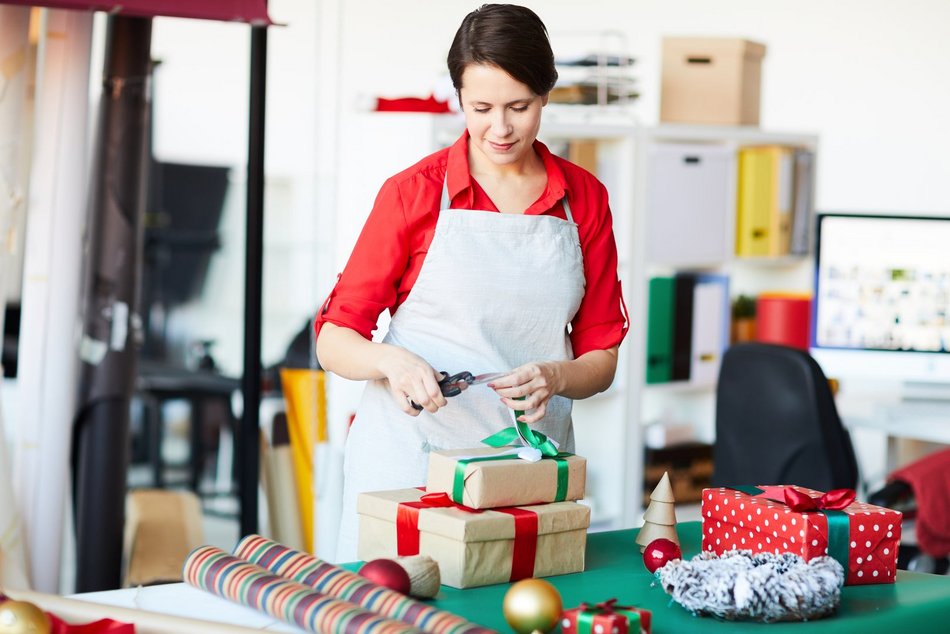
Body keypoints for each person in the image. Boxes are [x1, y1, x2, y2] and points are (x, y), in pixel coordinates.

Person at [315, 3, 628, 562]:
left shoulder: (584, 200)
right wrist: (393, 363)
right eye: (480, 107)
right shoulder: (412, 193)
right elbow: (334, 338)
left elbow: (601, 357)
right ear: (458, 95)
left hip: (527, 475)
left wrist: (557, 375)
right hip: (411, 467)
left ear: (546, 95)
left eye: (519, 107)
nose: (500, 128)